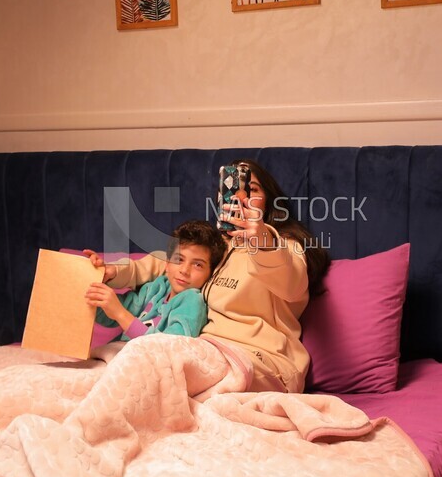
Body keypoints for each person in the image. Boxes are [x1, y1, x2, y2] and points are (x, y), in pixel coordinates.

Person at [85, 159, 330, 394]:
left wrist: (262, 239)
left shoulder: (284, 246)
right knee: (133, 370)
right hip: (204, 350)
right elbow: (165, 261)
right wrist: (114, 271)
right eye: (233, 188)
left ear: (269, 202)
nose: (241, 197)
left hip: (262, 359)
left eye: (252, 190)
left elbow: (292, 284)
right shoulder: (217, 245)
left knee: (155, 371)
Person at [84, 220, 226, 342]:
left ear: (210, 275)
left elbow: (170, 346)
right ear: (167, 264)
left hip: (150, 366)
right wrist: (92, 288)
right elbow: (111, 316)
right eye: (179, 259)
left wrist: (120, 313)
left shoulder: (193, 302)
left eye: (197, 265)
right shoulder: (156, 288)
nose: (184, 270)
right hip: (120, 356)